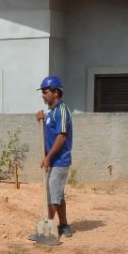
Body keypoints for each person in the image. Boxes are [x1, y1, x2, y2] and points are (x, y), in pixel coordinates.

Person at [36, 75, 74, 237]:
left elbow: (62, 136)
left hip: (59, 161)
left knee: (52, 196)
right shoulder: (51, 113)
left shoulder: (63, 111)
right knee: (58, 194)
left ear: (55, 93)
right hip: (53, 160)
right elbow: (50, 133)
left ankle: (46, 232)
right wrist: (41, 120)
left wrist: (48, 157)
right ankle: (64, 225)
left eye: (45, 92)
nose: (43, 95)